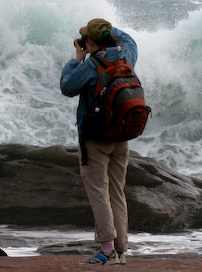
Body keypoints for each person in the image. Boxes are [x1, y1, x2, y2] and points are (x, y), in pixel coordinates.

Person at [60, 18, 138, 266]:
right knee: (117, 193)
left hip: (95, 139)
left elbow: (67, 86)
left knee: (99, 195)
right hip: (121, 136)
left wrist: (77, 57)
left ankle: (106, 251)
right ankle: (121, 250)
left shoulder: (91, 64)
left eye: (87, 39)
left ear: (91, 42)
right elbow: (129, 39)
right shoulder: (126, 56)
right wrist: (107, 30)